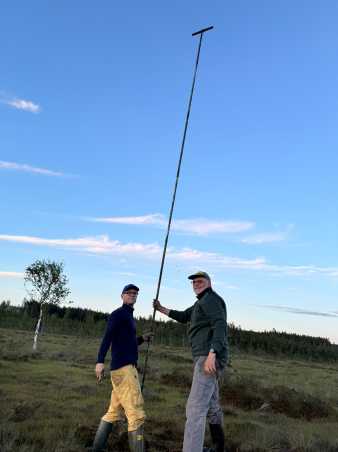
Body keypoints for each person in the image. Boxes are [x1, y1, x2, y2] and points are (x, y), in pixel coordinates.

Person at [153, 271, 228, 452]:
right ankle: (219, 447)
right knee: (212, 407)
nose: (196, 283)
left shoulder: (211, 299)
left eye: (200, 281)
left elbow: (220, 324)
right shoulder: (199, 303)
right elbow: (183, 316)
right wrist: (161, 308)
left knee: (195, 409)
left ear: (209, 283)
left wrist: (212, 352)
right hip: (207, 358)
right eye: (194, 282)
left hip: (207, 359)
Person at [93, 284, 152, 452]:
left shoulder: (128, 317)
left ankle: (96, 449)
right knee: (136, 415)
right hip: (125, 371)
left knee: (114, 412)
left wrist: (141, 338)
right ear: (122, 296)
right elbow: (108, 337)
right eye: (129, 293)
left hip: (121, 370)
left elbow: (126, 342)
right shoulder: (118, 314)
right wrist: (99, 361)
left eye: (135, 293)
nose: (133, 295)